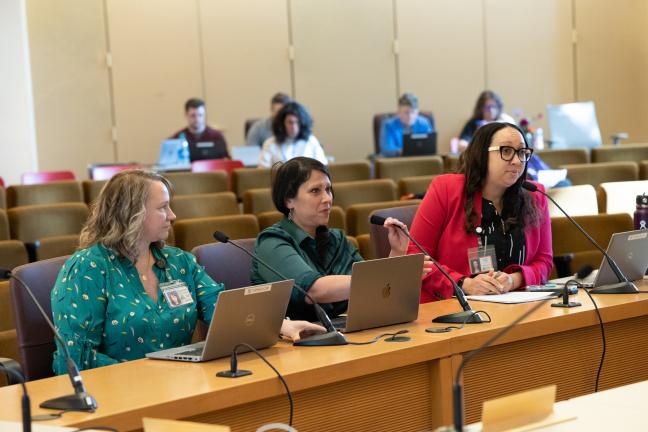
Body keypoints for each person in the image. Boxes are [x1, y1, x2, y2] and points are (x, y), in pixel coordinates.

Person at [51, 170, 324, 374]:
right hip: (117, 393)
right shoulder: (87, 269)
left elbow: (226, 313)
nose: (172, 216)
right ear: (130, 214)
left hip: (181, 383)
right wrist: (146, 374)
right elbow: (75, 358)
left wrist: (282, 325)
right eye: (162, 208)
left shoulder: (179, 263)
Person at [251, 157, 432, 321]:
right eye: (315, 191)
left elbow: (372, 292)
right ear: (289, 200)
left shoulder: (337, 239)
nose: (327, 199)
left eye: (328, 189)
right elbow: (314, 290)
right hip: (294, 347)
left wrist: (397, 254)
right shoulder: (271, 242)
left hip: (347, 336)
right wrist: (391, 273)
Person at [408, 122, 552, 303]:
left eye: (522, 153)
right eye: (506, 151)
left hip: (518, 306)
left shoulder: (535, 195)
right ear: (482, 154)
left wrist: (514, 280)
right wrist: (463, 284)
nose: (517, 161)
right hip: (454, 308)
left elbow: (544, 261)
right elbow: (416, 257)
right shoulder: (445, 189)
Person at [258, 102, 328, 168]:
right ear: (282, 123)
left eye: (297, 122)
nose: (294, 126)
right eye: (290, 122)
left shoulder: (311, 141)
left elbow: (323, 167)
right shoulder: (270, 143)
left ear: (302, 123)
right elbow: (262, 172)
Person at [379, 92, 434, 157]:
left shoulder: (424, 123)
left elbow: (431, 146)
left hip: (420, 160)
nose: (410, 116)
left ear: (417, 112)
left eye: (413, 112)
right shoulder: (388, 125)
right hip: (396, 162)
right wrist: (406, 151)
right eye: (406, 113)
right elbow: (386, 150)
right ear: (399, 112)